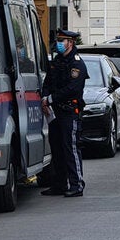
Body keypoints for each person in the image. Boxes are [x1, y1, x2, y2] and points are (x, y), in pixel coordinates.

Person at [41, 28, 88, 197]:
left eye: (63, 41)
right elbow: (47, 82)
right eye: (58, 40)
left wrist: (51, 98)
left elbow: (73, 88)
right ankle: (59, 184)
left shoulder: (76, 64)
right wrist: (45, 97)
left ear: (71, 43)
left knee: (71, 148)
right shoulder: (56, 61)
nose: (59, 44)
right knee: (57, 148)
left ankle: (77, 185)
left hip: (69, 111)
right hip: (55, 113)